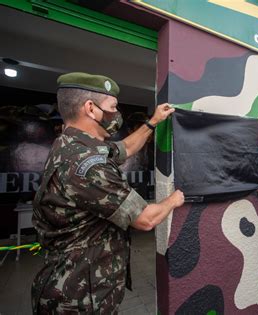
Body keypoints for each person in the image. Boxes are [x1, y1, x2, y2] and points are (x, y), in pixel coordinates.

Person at [31, 72, 185, 314]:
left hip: (72, 286)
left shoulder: (70, 144)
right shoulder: (88, 165)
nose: (117, 114)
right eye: (112, 107)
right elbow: (146, 219)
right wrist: (176, 197)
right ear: (91, 109)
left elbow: (125, 148)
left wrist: (152, 122)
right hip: (78, 298)